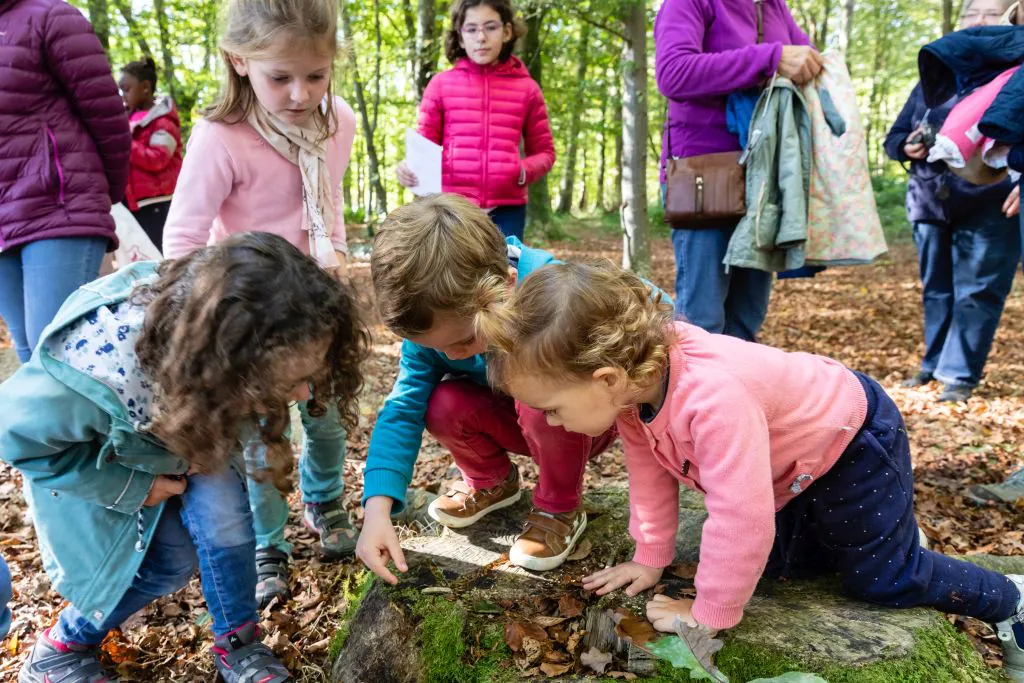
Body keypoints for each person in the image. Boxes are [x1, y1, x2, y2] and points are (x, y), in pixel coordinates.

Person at [478, 259, 1024, 682]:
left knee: (881, 578)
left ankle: (1009, 599)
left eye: (551, 407)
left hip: (850, 441)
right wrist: (650, 557)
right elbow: (649, 474)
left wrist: (709, 613)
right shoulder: (630, 394)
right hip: (790, 466)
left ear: (604, 376)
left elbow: (742, 517)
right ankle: (882, 531)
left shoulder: (714, 399)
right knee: (788, 567)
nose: (547, 421)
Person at [0, 232, 369, 683]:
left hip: (191, 429)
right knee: (170, 559)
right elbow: (16, 439)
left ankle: (238, 642)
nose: (302, 395)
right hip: (103, 468)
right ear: (226, 361)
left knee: (227, 523)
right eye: (286, 381)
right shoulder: (90, 372)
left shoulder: (223, 331)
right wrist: (135, 485)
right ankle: (61, 646)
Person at [162, 0, 358, 608]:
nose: (301, 94)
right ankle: (268, 541)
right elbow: (184, 239)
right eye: (281, 77)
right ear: (239, 61)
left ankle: (324, 499)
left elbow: (329, 207)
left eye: (316, 76)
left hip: (319, 314)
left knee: (326, 423)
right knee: (260, 440)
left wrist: (342, 271)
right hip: (251, 326)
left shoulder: (337, 122)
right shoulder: (220, 138)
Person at [356, 194, 661, 581]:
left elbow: (649, 305)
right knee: (442, 402)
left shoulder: (553, 291)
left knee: (540, 395)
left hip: (581, 422)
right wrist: (377, 511)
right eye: (437, 347)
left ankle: (560, 507)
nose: (452, 354)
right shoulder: (439, 331)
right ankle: (492, 482)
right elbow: (402, 411)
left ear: (505, 286)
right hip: (514, 419)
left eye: (465, 341)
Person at [654, 0, 822, 341]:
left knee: (746, 321)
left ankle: (735, 394)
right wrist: (770, 59)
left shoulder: (775, 7)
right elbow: (673, 73)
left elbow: (807, 60)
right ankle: (690, 395)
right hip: (704, 177)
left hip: (764, 179)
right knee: (701, 323)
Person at [884, 0, 1021, 403]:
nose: (977, 21)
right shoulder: (939, 73)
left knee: (978, 290)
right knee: (936, 288)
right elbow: (893, 137)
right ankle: (933, 364)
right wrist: (905, 148)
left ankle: (959, 375)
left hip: (990, 201)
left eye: (988, 14)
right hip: (930, 202)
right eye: (969, 15)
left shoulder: (1011, 76)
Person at [0, 0, 131, 364]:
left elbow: (108, 119)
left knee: (54, 353)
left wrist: (107, 193)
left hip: (58, 207)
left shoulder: (51, 18)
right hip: (2, 221)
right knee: (31, 357)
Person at [394, 0, 555, 241]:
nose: (481, 37)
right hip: (452, 208)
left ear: (507, 32)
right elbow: (423, 151)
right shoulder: (440, 85)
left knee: (503, 276)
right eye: (471, 29)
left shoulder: (528, 89)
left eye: (490, 27)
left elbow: (545, 152)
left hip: (508, 209)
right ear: (460, 37)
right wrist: (407, 170)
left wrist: (522, 171)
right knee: (454, 278)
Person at [118, 56, 183, 252]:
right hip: (134, 203)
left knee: (160, 253)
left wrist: (125, 141)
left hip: (158, 203)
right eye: (120, 90)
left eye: (126, 89)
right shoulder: (126, 118)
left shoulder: (163, 121)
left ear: (145, 88)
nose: (122, 95)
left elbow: (158, 158)